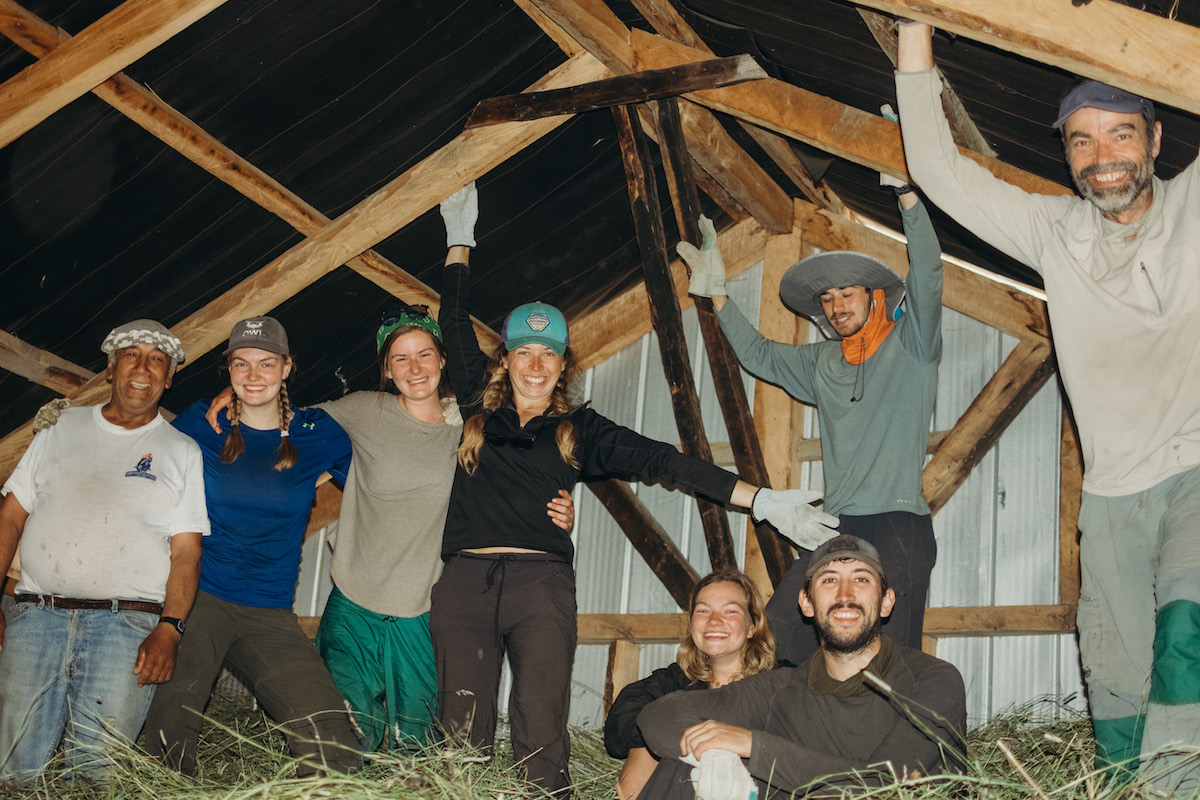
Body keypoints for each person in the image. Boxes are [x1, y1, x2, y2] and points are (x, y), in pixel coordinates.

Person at [432, 182, 842, 797]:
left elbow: (667, 463)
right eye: (525, 352)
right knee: (461, 722)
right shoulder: (473, 408)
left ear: (563, 362)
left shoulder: (583, 429)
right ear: (507, 360)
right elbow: (453, 322)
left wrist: (759, 499)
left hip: (540, 585)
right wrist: (459, 243)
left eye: (549, 354)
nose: (537, 365)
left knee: (540, 721)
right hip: (465, 578)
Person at [895, 21, 1200, 791]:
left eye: (1121, 136)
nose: (1103, 160)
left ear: (1157, 140)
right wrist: (914, 25)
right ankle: (1123, 786)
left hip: (1196, 471)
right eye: (1082, 143)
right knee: (1115, 666)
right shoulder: (1054, 232)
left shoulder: (1194, 206)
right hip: (1110, 495)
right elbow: (936, 167)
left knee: (1184, 638)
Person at [201, 311, 574, 755]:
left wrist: (555, 506)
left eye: (424, 356)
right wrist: (242, 393)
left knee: (416, 747)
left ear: (443, 360)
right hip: (354, 604)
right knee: (338, 737)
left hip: (423, 610)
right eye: (400, 359)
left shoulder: (474, 426)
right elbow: (286, 421)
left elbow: (528, 460)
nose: (414, 369)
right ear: (386, 368)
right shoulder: (362, 410)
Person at [678, 181, 942, 666]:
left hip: (900, 522)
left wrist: (907, 195)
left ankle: (900, 739)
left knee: (894, 655)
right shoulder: (822, 362)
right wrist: (717, 294)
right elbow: (757, 354)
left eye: (848, 294)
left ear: (875, 297)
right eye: (828, 299)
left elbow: (927, 270)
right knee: (782, 636)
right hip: (838, 525)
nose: (838, 306)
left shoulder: (913, 346)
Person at [140, 316, 360, 776]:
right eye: (241, 365)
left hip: (270, 611)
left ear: (286, 368)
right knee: (165, 742)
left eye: (266, 364)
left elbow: (375, 477)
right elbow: (140, 465)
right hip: (200, 600)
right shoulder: (201, 422)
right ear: (229, 371)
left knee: (333, 746)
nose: (253, 375)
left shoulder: (318, 433)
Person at [0, 320, 207, 781]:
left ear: (169, 376)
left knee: (99, 777)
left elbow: (186, 554)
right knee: (13, 770)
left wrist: (170, 629)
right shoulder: (58, 426)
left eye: (157, 359)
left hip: (126, 628)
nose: (143, 367)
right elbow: (11, 517)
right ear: (111, 366)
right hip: (35, 617)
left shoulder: (182, 451)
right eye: (131, 354)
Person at [636, 535, 967, 800]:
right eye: (828, 580)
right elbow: (660, 715)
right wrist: (717, 757)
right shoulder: (779, 688)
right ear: (806, 603)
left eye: (861, 579)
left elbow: (884, 782)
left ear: (886, 601)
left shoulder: (931, 679)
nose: (845, 595)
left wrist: (753, 746)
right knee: (677, 771)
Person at [604, 570, 776, 800]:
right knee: (643, 747)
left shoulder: (779, 682)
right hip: (678, 785)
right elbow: (621, 722)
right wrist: (683, 740)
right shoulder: (677, 680)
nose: (714, 620)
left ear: (752, 626)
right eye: (703, 610)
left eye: (730, 611)